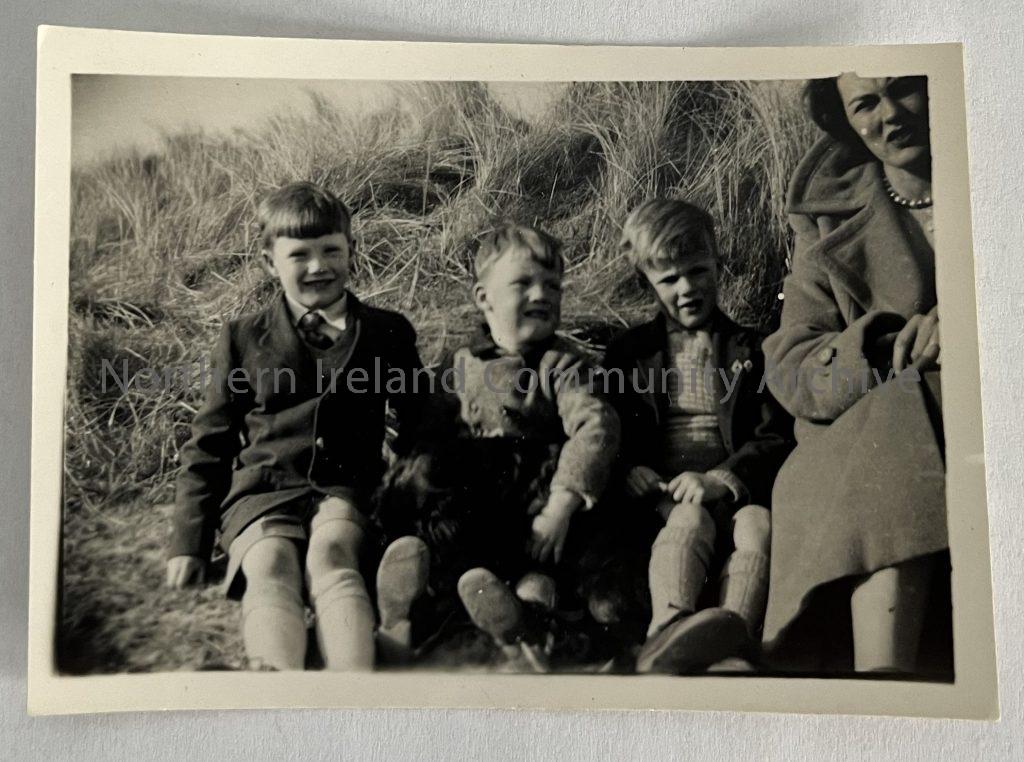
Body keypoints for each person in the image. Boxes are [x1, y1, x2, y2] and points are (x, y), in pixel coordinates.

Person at [165, 181, 424, 671]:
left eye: (331, 250)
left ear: (352, 251)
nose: (318, 266)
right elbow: (209, 443)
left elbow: (420, 424)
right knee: (271, 566)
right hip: (262, 492)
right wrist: (189, 541)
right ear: (270, 263)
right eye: (299, 255)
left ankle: (353, 684)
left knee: (332, 556)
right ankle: (277, 682)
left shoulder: (387, 331)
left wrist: (407, 505)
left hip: (346, 487)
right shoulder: (242, 338)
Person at [762, 75, 949, 674]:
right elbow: (792, 363)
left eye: (904, 89)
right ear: (844, 120)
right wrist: (880, 344)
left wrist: (969, 320)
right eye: (865, 103)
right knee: (898, 410)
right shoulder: (825, 217)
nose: (890, 115)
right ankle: (880, 682)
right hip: (868, 435)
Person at [371, 222, 622, 670]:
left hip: (533, 511)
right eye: (523, 284)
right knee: (426, 483)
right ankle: (408, 605)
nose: (541, 295)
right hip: (474, 512)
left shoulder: (563, 366)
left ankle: (523, 622)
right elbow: (428, 432)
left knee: (539, 575)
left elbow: (594, 427)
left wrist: (562, 504)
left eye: (552, 285)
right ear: (484, 298)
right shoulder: (459, 364)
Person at [602, 198, 793, 673]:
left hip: (730, 492)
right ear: (646, 281)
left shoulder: (752, 349)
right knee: (688, 519)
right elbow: (611, 429)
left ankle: (732, 642)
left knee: (759, 525)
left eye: (698, 271)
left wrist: (722, 478)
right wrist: (630, 469)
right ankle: (667, 630)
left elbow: (774, 435)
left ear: (718, 265)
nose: (687, 288)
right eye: (669, 279)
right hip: (664, 498)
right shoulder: (629, 354)